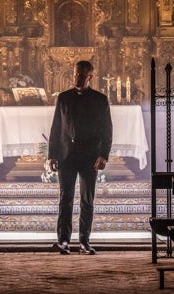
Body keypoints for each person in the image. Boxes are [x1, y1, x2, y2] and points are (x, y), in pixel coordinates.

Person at [48, 60, 113, 255]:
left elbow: (106, 130)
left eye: (81, 75)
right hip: (67, 155)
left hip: (90, 156)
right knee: (65, 199)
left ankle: (84, 241)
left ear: (90, 77)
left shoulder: (100, 100)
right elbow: (56, 127)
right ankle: (64, 241)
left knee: (87, 200)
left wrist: (104, 155)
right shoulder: (63, 98)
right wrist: (52, 155)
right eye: (75, 74)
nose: (77, 78)